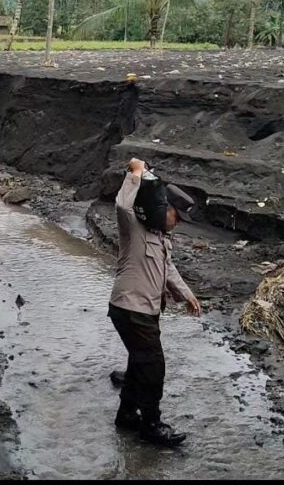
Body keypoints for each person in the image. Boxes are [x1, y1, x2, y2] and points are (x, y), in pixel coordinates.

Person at [108, 157, 201, 447]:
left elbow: (168, 269)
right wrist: (135, 174)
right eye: (177, 217)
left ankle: (126, 415)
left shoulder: (160, 238)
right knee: (153, 367)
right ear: (165, 209)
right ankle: (151, 426)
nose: (178, 225)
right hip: (129, 308)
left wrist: (186, 294)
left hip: (144, 312)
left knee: (140, 363)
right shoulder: (135, 229)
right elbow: (123, 206)